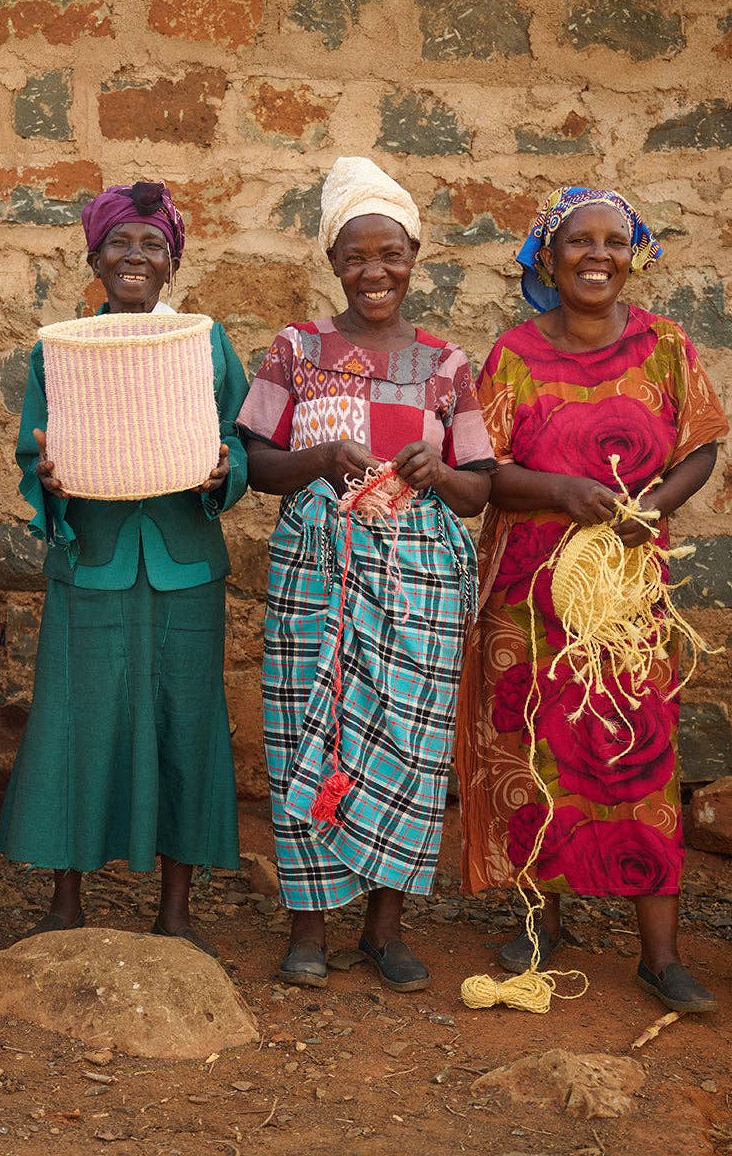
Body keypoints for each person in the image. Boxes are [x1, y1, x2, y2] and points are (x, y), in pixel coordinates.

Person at [455, 186, 727, 1013]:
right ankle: (544, 923)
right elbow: (484, 470)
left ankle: (661, 954)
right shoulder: (511, 355)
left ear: (633, 253)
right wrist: (562, 490)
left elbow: (701, 444)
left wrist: (655, 507)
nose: (597, 255)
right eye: (579, 241)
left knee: (641, 752)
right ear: (548, 256)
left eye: (615, 240)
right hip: (530, 593)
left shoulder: (665, 347)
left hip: (624, 597)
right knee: (537, 747)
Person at [237, 156, 495, 990]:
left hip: (420, 567)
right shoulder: (297, 350)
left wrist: (436, 471)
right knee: (307, 732)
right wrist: (321, 456)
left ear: (414, 256)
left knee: (410, 743)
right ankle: (307, 930)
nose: (373, 271)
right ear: (333, 262)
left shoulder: (449, 363)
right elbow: (257, 464)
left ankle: (385, 930)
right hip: (317, 566)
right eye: (355, 255)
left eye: (390, 254)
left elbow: (479, 488)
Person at [0, 182, 248, 956]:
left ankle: (175, 911)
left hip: (184, 566)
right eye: (120, 245)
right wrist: (53, 482)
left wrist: (220, 474)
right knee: (78, 720)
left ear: (173, 262)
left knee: (188, 724)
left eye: (152, 246)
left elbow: (240, 441)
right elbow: (36, 448)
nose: (135, 258)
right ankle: (66, 901)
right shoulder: (63, 347)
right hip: (94, 562)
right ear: (93, 258)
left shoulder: (204, 345)